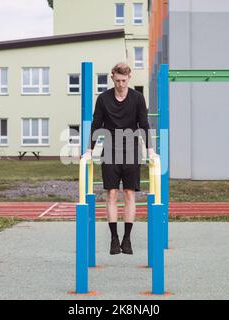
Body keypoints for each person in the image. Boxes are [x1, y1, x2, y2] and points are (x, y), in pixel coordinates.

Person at [82, 62, 155, 255]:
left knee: (130, 195)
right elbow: (96, 124)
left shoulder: (138, 98)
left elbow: (144, 124)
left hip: (132, 149)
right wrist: (89, 149)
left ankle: (127, 238)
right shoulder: (104, 99)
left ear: (129, 78)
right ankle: (114, 238)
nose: (121, 84)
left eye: (124, 80)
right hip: (110, 149)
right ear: (112, 77)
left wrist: (150, 149)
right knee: (112, 194)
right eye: (117, 80)